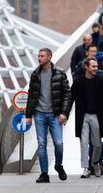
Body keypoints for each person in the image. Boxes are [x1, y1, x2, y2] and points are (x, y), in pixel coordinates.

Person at [25, 48, 71, 183]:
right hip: (39, 113)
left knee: (59, 143)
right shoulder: (35, 74)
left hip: (55, 114)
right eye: (38, 56)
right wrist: (28, 115)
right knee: (41, 143)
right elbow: (31, 95)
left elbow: (67, 95)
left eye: (42, 56)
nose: (39, 58)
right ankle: (44, 174)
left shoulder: (60, 73)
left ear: (49, 57)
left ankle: (58, 165)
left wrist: (64, 113)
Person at [71, 57, 103, 178]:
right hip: (83, 116)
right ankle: (85, 168)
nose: (96, 68)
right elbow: (70, 98)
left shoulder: (100, 81)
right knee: (84, 143)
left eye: (96, 66)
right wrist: (65, 114)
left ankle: (95, 163)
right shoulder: (78, 82)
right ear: (87, 67)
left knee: (97, 144)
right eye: (93, 66)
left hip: (97, 116)